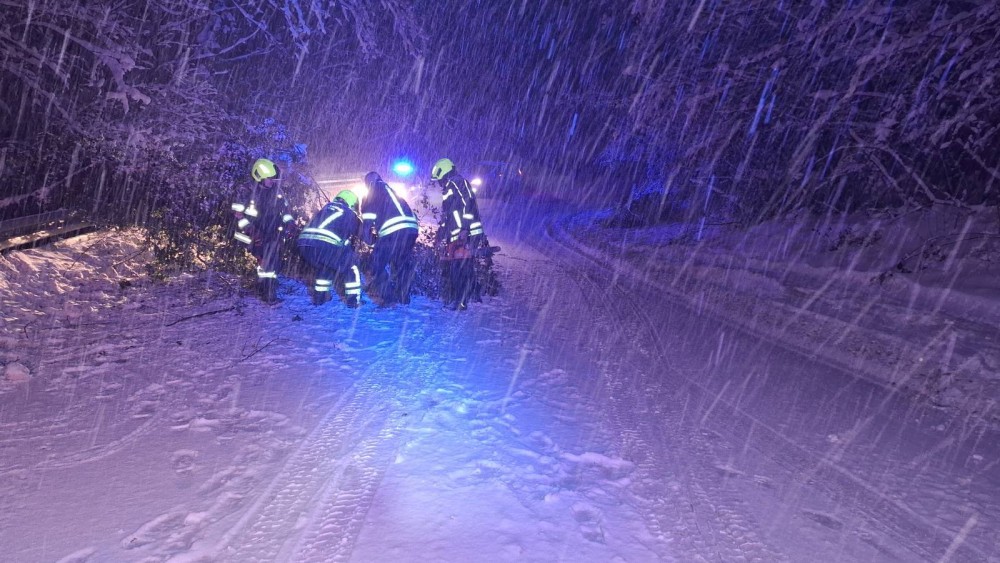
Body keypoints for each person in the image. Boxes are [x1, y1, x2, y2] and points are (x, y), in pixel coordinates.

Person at [231, 158, 297, 303]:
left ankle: (265, 285)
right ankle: (268, 292)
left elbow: (284, 211)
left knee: (272, 259)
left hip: (270, 231)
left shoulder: (275, 191)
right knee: (267, 260)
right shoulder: (246, 191)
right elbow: (237, 216)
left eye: (273, 179)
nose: (272, 182)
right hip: (248, 234)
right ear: (259, 177)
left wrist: (290, 223)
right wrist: (251, 230)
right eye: (269, 179)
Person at [431, 158, 487, 310]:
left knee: (459, 269)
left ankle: (461, 302)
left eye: (439, 179)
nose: (439, 183)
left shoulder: (456, 182)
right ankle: (471, 296)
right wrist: (440, 236)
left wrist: (464, 229)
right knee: (462, 268)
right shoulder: (451, 186)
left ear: (444, 173)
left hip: (466, 234)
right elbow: (448, 216)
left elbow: (467, 204)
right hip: (460, 235)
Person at [359, 171, 419, 306]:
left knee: (376, 265)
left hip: (393, 231)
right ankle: (403, 297)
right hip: (410, 231)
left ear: (368, 183)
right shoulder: (391, 192)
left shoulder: (372, 192)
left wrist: (370, 240)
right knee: (401, 264)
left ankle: (389, 299)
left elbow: (367, 225)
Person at [297, 190, 363, 308]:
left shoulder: (325, 208)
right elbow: (359, 234)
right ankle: (353, 301)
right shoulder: (348, 213)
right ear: (352, 203)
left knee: (325, 266)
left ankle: (320, 298)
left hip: (304, 245)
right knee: (352, 266)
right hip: (324, 244)